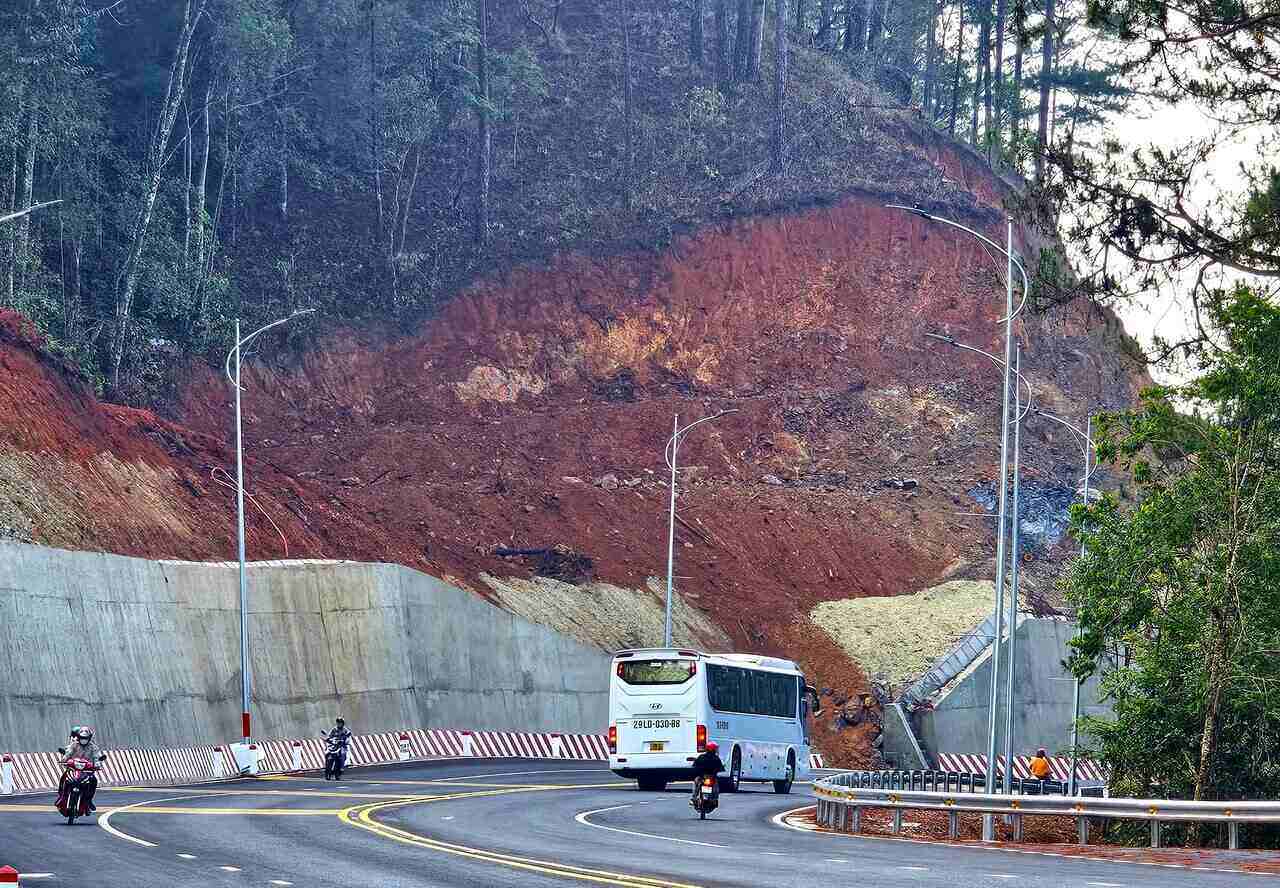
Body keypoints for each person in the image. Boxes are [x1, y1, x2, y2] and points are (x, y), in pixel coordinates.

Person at [59, 727, 104, 812]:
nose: (83, 740)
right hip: (74, 769)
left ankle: (89, 800)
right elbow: (68, 753)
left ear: (89, 738)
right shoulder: (74, 745)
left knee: (93, 780)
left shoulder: (93, 747)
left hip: (87, 771)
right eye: (82, 738)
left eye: (85, 738)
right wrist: (64, 759)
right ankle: (61, 795)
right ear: (78, 737)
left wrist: (97, 764)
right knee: (64, 777)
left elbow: (96, 756)